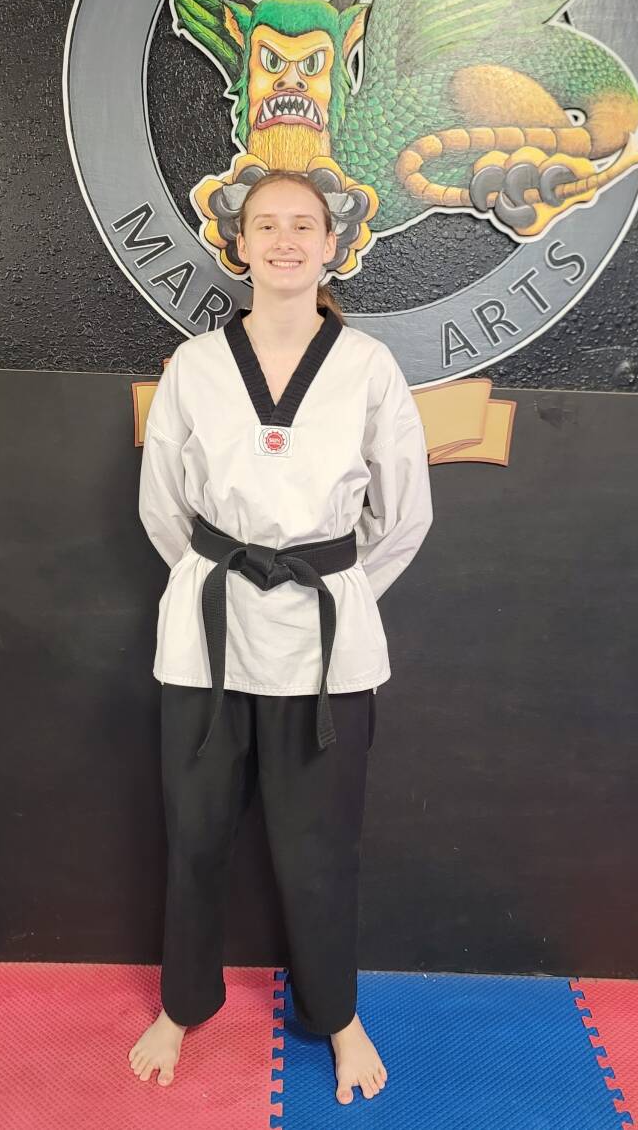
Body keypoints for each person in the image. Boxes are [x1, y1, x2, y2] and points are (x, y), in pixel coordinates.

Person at [129, 168, 433, 1103]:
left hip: (326, 646)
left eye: (305, 225)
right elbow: (164, 509)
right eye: (268, 225)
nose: (286, 240)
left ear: (332, 246)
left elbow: (404, 516)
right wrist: (229, 575)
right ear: (242, 245)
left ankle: (335, 1014)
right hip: (207, 639)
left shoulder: (368, 367)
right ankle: (183, 1004)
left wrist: (331, 586)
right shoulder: (194, 365)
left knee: (320, 848)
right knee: (195, 835)